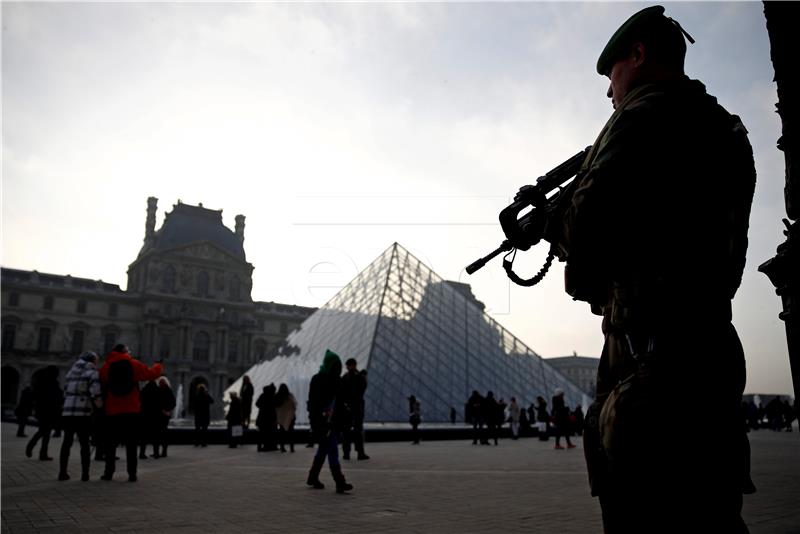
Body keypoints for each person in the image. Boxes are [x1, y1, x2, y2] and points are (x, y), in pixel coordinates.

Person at [540, 6, 756, 531]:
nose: (609, 90)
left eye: (612, 72)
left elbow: (587, 229)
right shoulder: (725, 129)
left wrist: (553, 222)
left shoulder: (640, 116)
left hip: (649, 356)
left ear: (638, 56)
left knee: (642, 511)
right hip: (708, 344)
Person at [98, 344, 163, 482]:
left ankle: (108, 473)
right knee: (131, 443)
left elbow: (102, 382)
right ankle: (132, 474)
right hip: (131, 409)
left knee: (111, 443)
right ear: (124, 352)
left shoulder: (105, 367)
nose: (130, 353)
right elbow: (151, 374)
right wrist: (158, 364)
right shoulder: (133, 364)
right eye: (128, 351)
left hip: (112, 409)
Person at [306, 349, 353, 493]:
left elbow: (342, 401)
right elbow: (313, 403)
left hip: (333, 421)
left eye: (338, 366)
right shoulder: (318, 379)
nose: (337, 369)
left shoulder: (337, 381)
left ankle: (313, 477)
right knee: (332, 449)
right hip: (322, 421)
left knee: (324, 449)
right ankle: (339, 482)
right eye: (335, 366)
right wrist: (315, 421)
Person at [58, 352, 102, 481]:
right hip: (82, 411)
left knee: (67, 442)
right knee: (84, 443)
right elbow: (96, 393)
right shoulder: (92, 373)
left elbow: (65, 390)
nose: (97, 363)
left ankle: (62, 472)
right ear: (92, 361)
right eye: (96, 361)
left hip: (67, 411)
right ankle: (85, 474)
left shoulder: (70, 373)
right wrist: (100, 407)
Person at [25, 366, 63, 461]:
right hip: (50, 411)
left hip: (41, 411)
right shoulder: (52, 384)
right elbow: (57, 397)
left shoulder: (41, 383)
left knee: (45, 432)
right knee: (44, 431)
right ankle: (33, 447)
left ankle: (42, 453)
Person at [340, 358, 369, 460]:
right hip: (355, 406)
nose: (348, 367)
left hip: (351, 407)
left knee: (350, 431)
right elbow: (362, 389)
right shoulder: (359, 377)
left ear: (354, 365)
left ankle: (350, 453)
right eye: (348, 365)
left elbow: (342, 392)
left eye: (349, 365)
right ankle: (357, 453)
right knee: (354, 431)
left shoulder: (346, 377)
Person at [138, 379, 161, 459]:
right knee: (156, 436)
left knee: (143, 436)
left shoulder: (144, 390)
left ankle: (142, 453)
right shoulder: (158, 391)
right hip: (155, 416)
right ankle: (156, 453)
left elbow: (139, 401)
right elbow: (160, 403)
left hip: (145, 416)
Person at [156, 377, 176, 457]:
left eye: (162, 382)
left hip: (164, 415)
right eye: (160, 382)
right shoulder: (157, 390)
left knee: (162, 433)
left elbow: (173, 403)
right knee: (159, 433)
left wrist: (167, 410)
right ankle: (157, 452)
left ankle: (164, 451)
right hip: (158, 415)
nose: (161, 383)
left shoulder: (168, 391)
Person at [275, 383, 297, 453]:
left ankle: (282, 447)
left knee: (282, 434)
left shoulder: (277, 396)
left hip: (281, 418)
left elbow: (275, 407)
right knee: (291, 433)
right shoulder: (290, 396)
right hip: (290, 417)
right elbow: (294, 405)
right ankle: (292, 448)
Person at [255, 384, 277, 451]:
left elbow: (257, 404)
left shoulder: (263, 396)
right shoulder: (271, 396)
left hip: (262, 417)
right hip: (270, 418)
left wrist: (262, 408)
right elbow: (275, 406)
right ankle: (269, 446)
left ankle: (262, 447)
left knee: (262, 433)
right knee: (269, 433)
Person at [193, 383, 213, 448]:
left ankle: (197, 442)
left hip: (198, 415)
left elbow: (194, 405)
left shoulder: (196, 395)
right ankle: (203, 443)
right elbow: (212, 401)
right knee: (204, 430)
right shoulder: (206, 395)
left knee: (197, 430)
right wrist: (207, 393)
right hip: (205, 415)